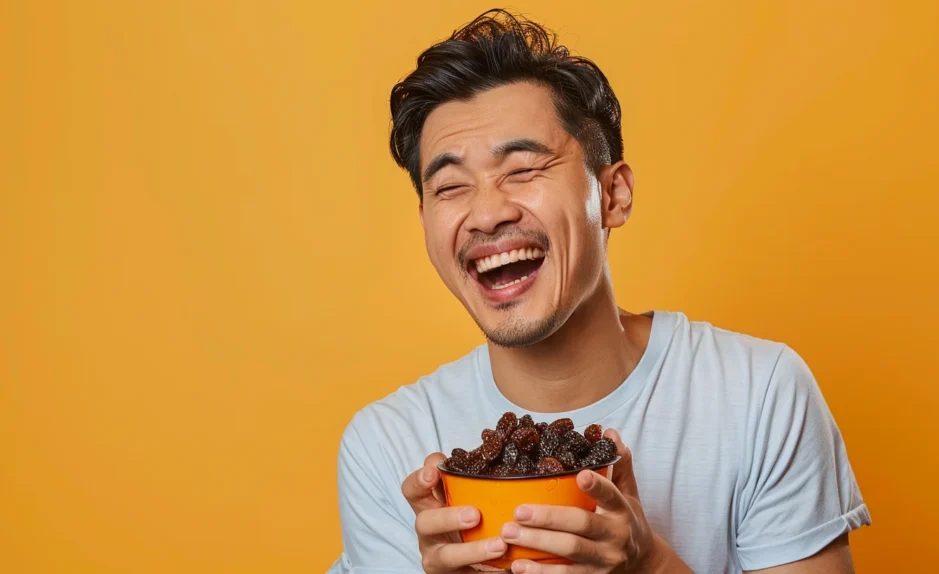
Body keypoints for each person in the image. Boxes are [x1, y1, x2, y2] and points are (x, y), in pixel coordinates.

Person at [328, 9, 870, 574]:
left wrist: (651, 566)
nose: (486, 213)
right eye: (451, 186)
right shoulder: (387, 447)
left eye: (523, 168)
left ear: (613, 195)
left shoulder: (760, 395)